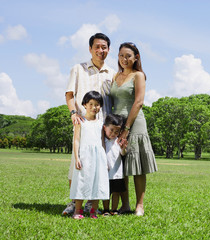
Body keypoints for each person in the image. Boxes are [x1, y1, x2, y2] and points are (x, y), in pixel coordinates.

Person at [63, 33, 116, 216]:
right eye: (97, 47)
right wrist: (73, 113)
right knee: (77, 165)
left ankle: (90, 205)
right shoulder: (79, 68)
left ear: (108, 49)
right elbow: (69, 94)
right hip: (83, 123)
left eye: (104, 47)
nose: (101, 50)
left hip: (102, 127)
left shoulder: (112, 74)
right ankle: (73, 202)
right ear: (90, 48)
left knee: (98, 167)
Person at [109, 42, 157, 216]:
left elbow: (138, 102)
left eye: (128, 56)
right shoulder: (116, 76)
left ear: (136, 57)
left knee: (137, 165)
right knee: (120, 166)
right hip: (116, 124)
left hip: (134, 124)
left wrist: (126, 128)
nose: (124, 59)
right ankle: (125, 205)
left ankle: (140, 205)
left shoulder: (139, 75)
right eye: (121, 55)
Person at [69, 91, 109, 219]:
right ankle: (78, 211)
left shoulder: (101, 122)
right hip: (84, 156)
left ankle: (93, 211)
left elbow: (102, 141)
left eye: (97, 104)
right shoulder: (80, 121)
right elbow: (76, 140)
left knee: (98, 182)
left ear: (100, 106)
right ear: (85, 105)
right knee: (81, 182)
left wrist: (105, 159)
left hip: (98, 156)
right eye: (90, 104)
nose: (93, 107)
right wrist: (77, 158)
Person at [102, 114, 128, 216]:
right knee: (106, 192)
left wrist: (123, 148)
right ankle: (106, 209)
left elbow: (123, 154)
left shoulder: (118, 141)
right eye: (111, 130)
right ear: (105, 127)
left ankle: (114, 209)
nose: (113, 134)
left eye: (116, 132)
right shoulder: (102, 141)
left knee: (116, 192)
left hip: (117, 172)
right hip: (105, 172)